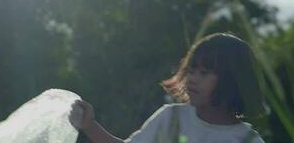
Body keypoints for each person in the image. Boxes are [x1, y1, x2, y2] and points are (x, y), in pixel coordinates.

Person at [69, 33, 267, 143]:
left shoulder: (247, 140)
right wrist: (89, 125)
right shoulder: (172, 118)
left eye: (204, 73)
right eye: (191, 69)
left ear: (231, 81)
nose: (192, 79)